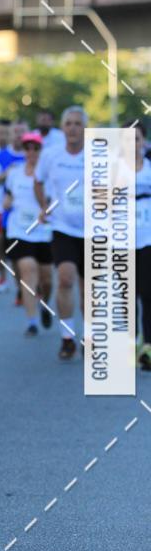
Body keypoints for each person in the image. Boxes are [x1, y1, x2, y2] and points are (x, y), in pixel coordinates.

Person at [34, 106, 86, 360]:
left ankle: (90, 336)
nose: (73, 128)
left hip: (94, 230)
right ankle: (67, 337)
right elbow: (38, 181)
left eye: (78, 123)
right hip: (62, 227)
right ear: (62, 128)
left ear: (84, 128)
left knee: (90, 289)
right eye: (69, 123)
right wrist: (43, 206)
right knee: (65, 278)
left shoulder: (98, 155)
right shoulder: (51, 154)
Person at [4, 132, 53, 336]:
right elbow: (8, 196)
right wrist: (6, 203)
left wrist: (47, 207)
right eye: (27, 148)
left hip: (44, 231)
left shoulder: (49, 174)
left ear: (41, 151)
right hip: (19, 230)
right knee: (28, 270)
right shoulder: (14, 173)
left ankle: (44, 304)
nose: (31, 152)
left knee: (47, 280)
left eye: (36, 148)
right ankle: (31, 321)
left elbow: (56, 199)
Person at [0, 119, 28, 300]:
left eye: (22, 131)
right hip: (10, 214)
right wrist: (7, 173)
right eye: (15, 132)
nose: (18, 135)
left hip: (36, 213)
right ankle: (20, 287)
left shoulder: (36, 154)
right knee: (16, 256)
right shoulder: (0, 156)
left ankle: (36, 285)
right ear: (10, 135)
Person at [130, 121, 151, 371]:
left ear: (142, 142)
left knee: (148, 294)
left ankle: (147, 346)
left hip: (148, 238)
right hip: (121, 240)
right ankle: (131, 342)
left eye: (135, 138)